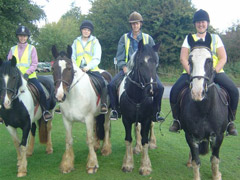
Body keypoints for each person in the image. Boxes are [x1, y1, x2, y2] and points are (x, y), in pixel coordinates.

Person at [169, 9, 239, 136]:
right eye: (198, 22)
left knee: (233, 91)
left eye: (203, 22)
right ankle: (177, 120)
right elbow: (183, 58)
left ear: (207, 23)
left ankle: (230, 122)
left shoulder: (215, 38)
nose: (200, 24)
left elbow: (223, 57)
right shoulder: (189, 38)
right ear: (195, 24)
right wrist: (191, 72)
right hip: (192, 72)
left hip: (213, 72)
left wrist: (215, 70)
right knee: (174, 91)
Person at [108, 11, 165, 121]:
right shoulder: (124, 38)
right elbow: (119, 55)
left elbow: (154, 56)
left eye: (137, 23)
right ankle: (115, 110)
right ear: (131, 25)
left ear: (141, 24)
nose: (135, 26)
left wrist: (151, 69)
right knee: (111, 85)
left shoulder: (148, 38)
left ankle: (156, 112)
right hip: (128, 69)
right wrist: (123, 66)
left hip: (145, 70)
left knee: (161, 87)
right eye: (133, 24)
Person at [8, 25, 52, 121]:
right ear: (17, 36)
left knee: (40, 91)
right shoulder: (12, 49)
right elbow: (9, 64)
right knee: (5, 90)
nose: (22, 38)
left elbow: (35, 63)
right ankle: (4, 112)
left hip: (30, 77)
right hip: (15, 78)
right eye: (20, 36)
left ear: (27, 37)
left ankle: (45, 111)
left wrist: (27, 73)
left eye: (24, 36)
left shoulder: (32, 48)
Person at [71, 20, 108, 114]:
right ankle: (63, 104)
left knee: (102, 82)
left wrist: (88, 67)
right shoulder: (76, 42)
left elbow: (97, 57)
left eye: (88, 30)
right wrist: (75, 66)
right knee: (67, 82)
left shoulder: (95, 42)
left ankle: (103, 103)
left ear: (90, 31)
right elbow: (72, 56)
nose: (86, 31)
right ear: (81, 30)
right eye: (84, 29)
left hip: (91, 69)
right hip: (77, 69)